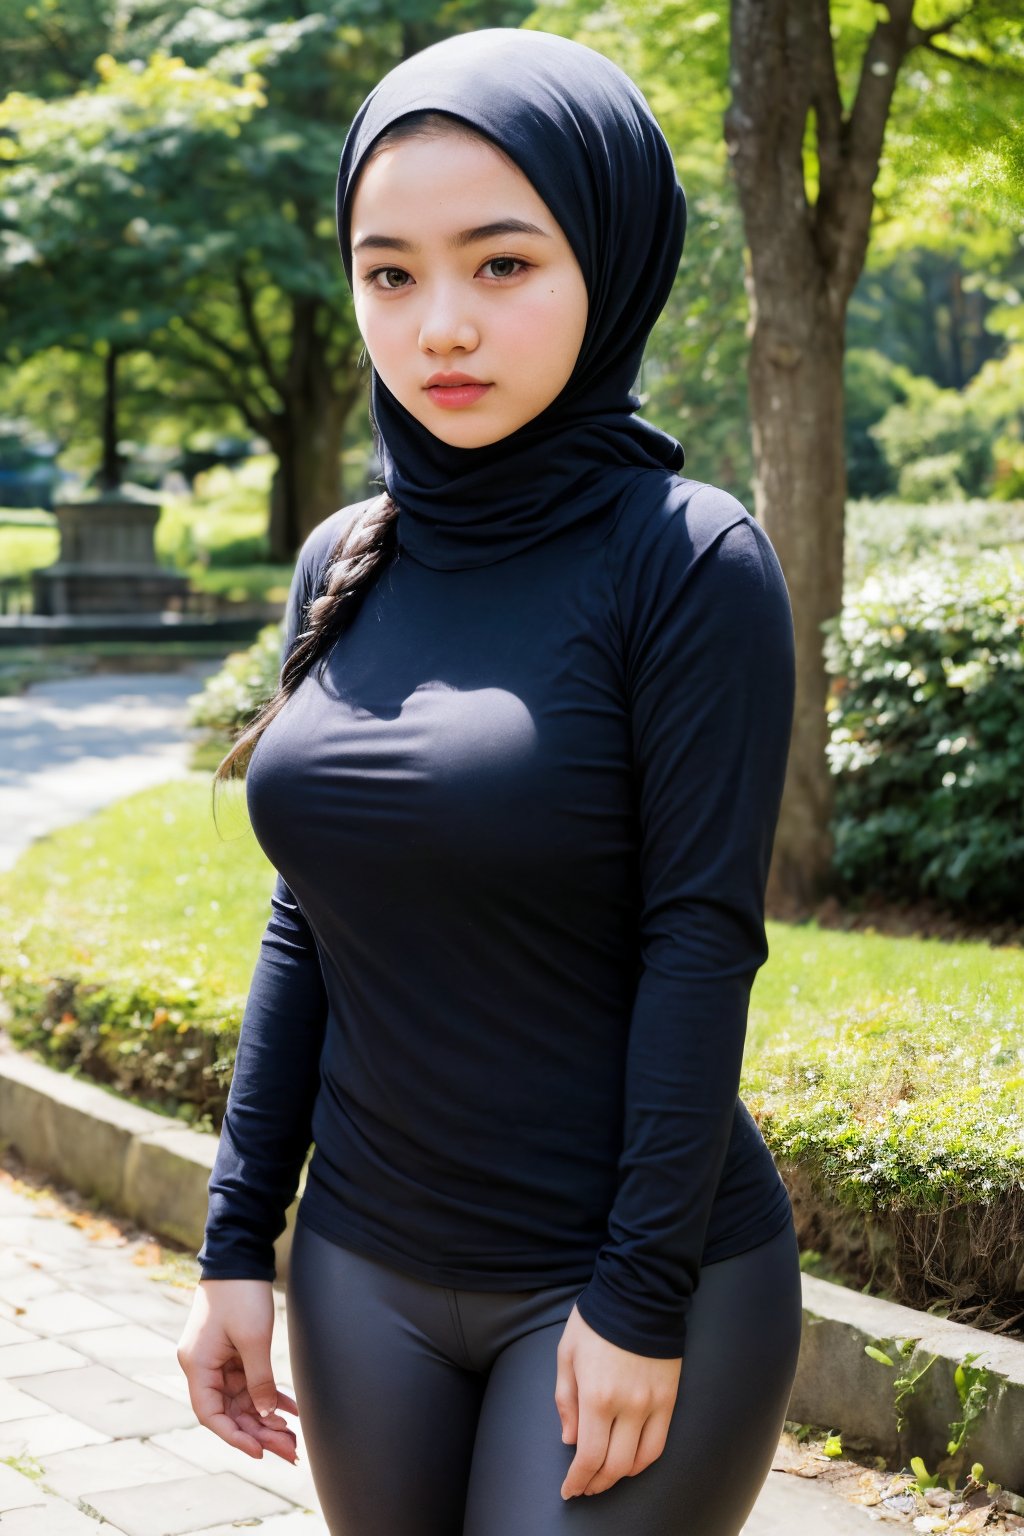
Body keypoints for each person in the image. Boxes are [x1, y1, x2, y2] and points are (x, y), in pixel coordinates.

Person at [176, 26, 803, 1536]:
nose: (439, 326)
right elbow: (305, 924)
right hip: (362, 1270)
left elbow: (699, 943)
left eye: (502, 265)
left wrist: (640, 1298)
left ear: (609, 257)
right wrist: (235, 1246)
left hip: (625, 1281)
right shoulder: (349, 554)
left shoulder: (690, 560)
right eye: (390, 273)